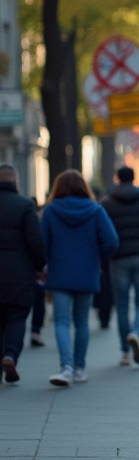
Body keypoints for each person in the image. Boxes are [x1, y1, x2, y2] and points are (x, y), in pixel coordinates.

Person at [41, 170, 119, 386]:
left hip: (59, 272)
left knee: (62, 321)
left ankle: (65, 367)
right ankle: (79, 369)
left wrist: (45, 262)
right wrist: (97, 256)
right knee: (82, 321)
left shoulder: (51, 211)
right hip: (87, 272)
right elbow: (112, 240)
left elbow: (41, 243)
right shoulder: (95, 210)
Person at [100, 166, 139, 366]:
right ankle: (136, 332)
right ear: (135, 178)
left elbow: (103, 233)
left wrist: (105, 257)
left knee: (121, 305)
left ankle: (125, 352)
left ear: (117, 178)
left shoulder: (107, 203)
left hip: (118, 258)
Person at [0, 164, 46, 383]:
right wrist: (40, 266)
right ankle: (10, 355)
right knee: (17, 317)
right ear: (15, 180)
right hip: (19, 275)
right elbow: (35, 242)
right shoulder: (25, 205)